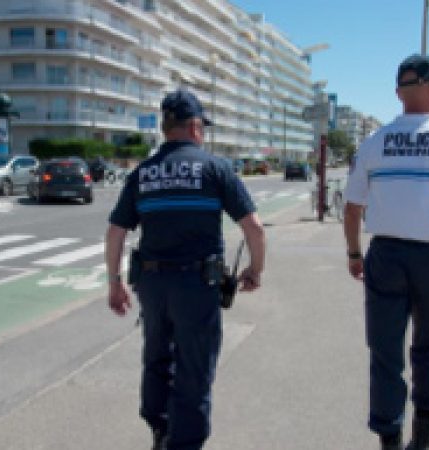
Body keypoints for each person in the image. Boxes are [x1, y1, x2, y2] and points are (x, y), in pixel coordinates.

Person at [104, 89, 267, 450]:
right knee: (194, 367)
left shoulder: (142, 173)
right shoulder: (214, 168)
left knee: (157, 356)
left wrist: (114, 282)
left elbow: (116, 230)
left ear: (165, 128)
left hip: (152, 283)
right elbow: (253, 227)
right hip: (196, 283)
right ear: (194, 126)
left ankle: (160, 429)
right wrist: (255, 269)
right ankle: (185, 443)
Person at [342, 54, 429, 450]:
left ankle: (390, 438)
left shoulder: (374, 143)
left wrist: (354, 254)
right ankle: (424, 428)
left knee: (385, 349)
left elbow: (352, 208)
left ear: (399, 93)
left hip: (385, 256)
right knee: (428, 344)